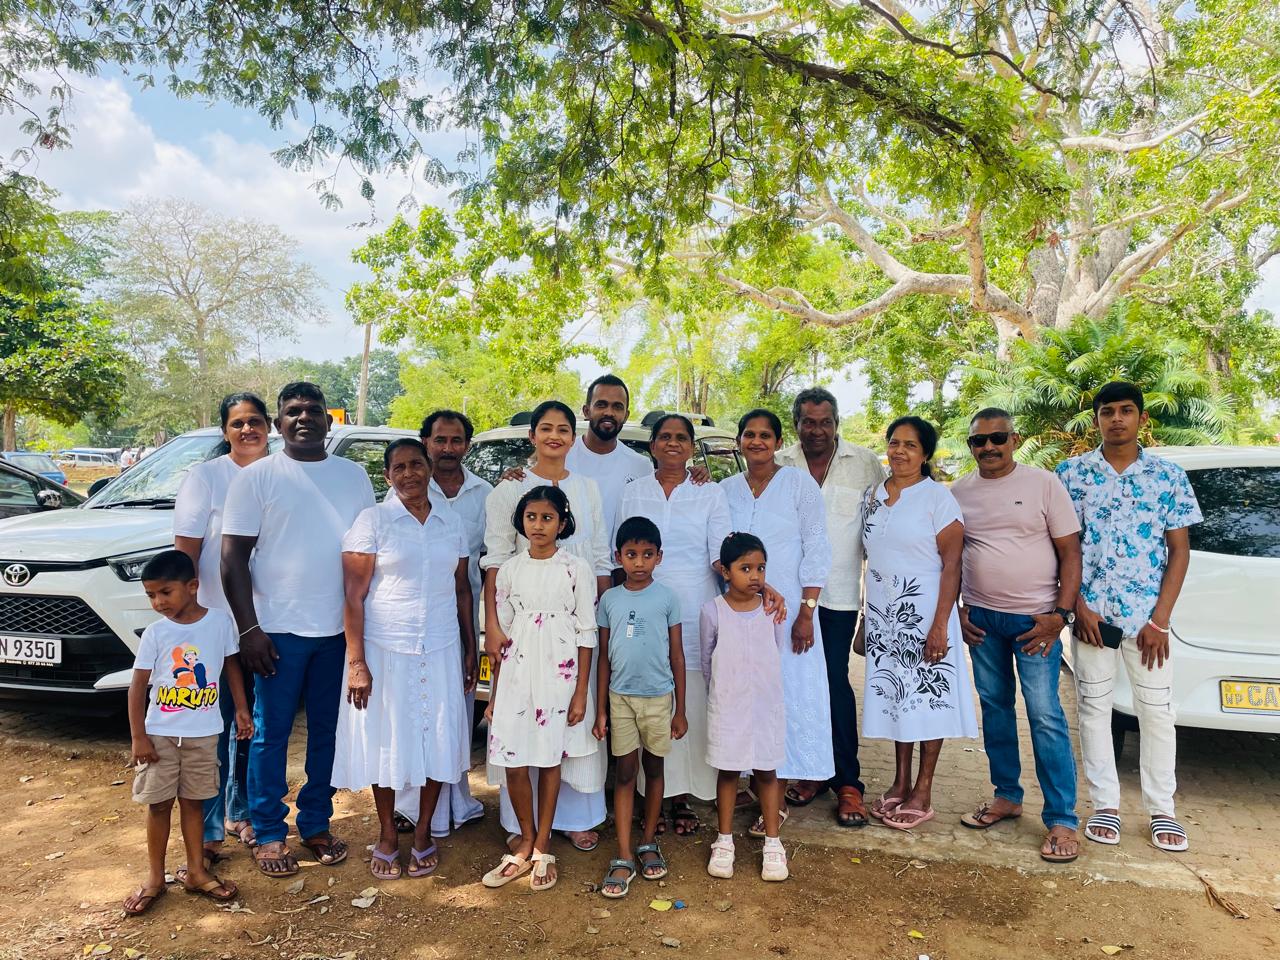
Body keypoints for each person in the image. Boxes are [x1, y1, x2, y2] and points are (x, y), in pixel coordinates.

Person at [222, 381, 376, 878]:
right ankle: (268, 831)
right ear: (279, 423)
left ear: (329, 421)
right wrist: (249, 629)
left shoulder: (353, 476)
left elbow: (368, 552)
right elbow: (232, 561)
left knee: (328, 735)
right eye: (293, 411)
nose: (304, 417)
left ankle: (315, 823)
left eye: (313, 410)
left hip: (338, 631)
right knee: (270, 735)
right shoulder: (256, 478)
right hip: (277, 632)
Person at [1056, 382, 1201, 853]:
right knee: (1094, 711)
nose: (1116, 419)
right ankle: (1106, 806)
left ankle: (1163, 810)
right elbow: (1063, 548)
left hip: (1147, 625)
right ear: (1095, 418)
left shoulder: (1168, 477)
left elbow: (1179, 552)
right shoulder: (1071, 474)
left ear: (1141, 418)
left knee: (1157, 713)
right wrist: (1077, 606)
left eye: (1126, 411)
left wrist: (1160, 620)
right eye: (1107, 411)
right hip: (1092, 618)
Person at [333, 438, 478, 880]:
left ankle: (423, 834)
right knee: (386, 740)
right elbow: (353, 597)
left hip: (440, 645)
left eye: (417, 464)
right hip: (385, 648)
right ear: (387, 475)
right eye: (399, 467)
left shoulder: (449, 522)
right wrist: (356, 663)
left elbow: (460, 589)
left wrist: (470, 647)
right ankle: (387, 836)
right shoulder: (372, 522)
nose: (410, 474)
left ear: (429, 468)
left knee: (437, 737)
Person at [952, 408, 1083, 863]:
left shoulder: (1044, 484)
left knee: (1046, 714)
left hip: (1036, 624)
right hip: (983, 621)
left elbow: (1070, 553)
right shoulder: (959, 492)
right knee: (995, 709)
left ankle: (1063, 819)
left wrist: (1060, 616)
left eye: (997, 438)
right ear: (970, 446)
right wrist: (957, 610)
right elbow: (950, 560)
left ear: (1014, 438)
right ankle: (1007, 796)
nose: (988, 447)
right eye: (979, 441)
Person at [481, 400, 611, 852]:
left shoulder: (589, 488)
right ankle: (524, 830)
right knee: (521, 727)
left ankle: (575, 818)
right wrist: (492, 626)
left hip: (570, 629)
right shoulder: (509, 489)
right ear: (532, 435)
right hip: (521, 632)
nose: (554, 436)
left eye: (563, 429)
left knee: (568, 725)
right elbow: (496, 561)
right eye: (546, 428)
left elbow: (597, 556)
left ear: (573, 438)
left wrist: (600, 616)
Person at [614, 413, 731, 834]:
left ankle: (681, 799)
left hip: (694, 606)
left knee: (687, 699)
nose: (673, 444)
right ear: (652, 445)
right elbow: (620, 549)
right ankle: (651, 800)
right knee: (646, 696)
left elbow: (721, 554)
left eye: (682, 438)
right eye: (665, 437)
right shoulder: (634, 492)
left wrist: (754, 587)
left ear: (691, 446)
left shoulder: (709, 492)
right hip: (640, 609)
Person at [860, 416, 977, 830]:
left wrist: (941, 624)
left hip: (926, 613)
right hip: (884, 616)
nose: (900, 451)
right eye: (894, 443)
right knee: (898, 699)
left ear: (925, 454)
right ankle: (899, 782)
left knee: (928, 701)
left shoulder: (937, 499)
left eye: (911, 445)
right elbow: (870, 560)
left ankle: (923, 790)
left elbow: (951, 565)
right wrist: (864, 619)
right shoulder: (874, 495)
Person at [775, 387, 884, 827]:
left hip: (837, 598)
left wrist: (871, 612)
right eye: (807, 422)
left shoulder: (866, 464)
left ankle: (848, 783)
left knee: (834, 684)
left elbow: (880, 536)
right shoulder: (780, 463)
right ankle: (807, 772)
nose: (816, 430)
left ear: (836, 423)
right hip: (785, 597)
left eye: (824, 422)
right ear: (796, 424)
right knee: (793, 686)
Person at [721, 408, 832, 835]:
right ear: (739, 441)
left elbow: (817, 546)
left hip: (788, 616)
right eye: (749, 434)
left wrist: (807, 610)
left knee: (785, 694)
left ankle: (779, 791)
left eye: (765, 435)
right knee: (747, 693)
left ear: (778, 441)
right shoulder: (726, 488)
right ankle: (750, 780)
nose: (756, 442)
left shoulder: (798, 484)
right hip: (740, 611)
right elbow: (719, 544)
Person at [482, 486, 598, 892]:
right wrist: (495, 696)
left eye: (547, 518)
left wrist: (582, 691)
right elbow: (502, 639)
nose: (538, 525)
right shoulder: (510, 570)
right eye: (531, 517)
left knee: (550, 759)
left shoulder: (575, 569)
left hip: (559, 674)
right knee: (514, 760)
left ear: (562, 523)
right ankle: (525, 839)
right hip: (516, 672)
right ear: (522, 521)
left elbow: (587, 632)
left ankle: (544, 842)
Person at [123, 550, 251, 915]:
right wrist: (138, 737)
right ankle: (154, 878)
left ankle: (196, 871)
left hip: (204, 734)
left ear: (193, 587)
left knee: (194, 802)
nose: (158, 602)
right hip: (160, 735)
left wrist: (241, 709)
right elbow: (137, 687)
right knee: (159, 804)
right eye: (150, 595)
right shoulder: (156, 633)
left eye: (165, 592)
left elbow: (231, 667)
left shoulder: (219, 623)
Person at [173, 392, 271, 864]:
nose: (247, 430)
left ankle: (244, 812)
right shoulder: (206, 478)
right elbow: (185, 553)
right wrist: (190, 620)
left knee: (253, 722)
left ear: (269, 427)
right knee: (214, 726)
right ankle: (210, 829)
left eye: (255, 421)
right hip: (215, 622)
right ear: (224, 431)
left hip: (265, 622)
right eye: (238, 423)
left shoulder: (280, 474)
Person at [390, 410, 491, 839]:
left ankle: (457, 801)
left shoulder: (485, 493)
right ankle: (409, 806)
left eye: (456, 440)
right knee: (413, 711)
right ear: (426, 443)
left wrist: (477, 638)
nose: (448, 448)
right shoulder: (404, 490)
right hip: (410, 620)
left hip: (462, 616)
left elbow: (490, 560)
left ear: (467, 445)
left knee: (456, 711)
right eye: (439, 441)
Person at [592, 516, 686, 898]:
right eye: (631, 554)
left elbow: (677, 655)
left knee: (654, 768)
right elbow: (603, 658)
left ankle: (649, 842)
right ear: (618, 557)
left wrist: (680, 708)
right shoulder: (610, 600)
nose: (639, 562)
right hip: (620, 698)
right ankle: (625, 852)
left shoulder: (667, 598)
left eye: (647, 554)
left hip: (659, 697)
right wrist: (600, 709)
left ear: (659, 557)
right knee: (626, 772)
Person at [701, 533, 790, 882]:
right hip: (728, 705)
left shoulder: (771, 610)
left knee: (767, 772)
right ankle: (724, 841)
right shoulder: (712, 611)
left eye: (760, 568)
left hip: (765, 706)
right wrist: (724, 692)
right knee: (727, 772)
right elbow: (707, 659)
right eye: (745, 568)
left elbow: (776, 650)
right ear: (725, 571)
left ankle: (772, 843)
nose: (755, 575)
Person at [565, 374, 654, 534]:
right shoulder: (562, 456)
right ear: (587, 411)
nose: (609, 412)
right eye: (601, 405)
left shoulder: (641, 465)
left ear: (626, 416)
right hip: (565, 558)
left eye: (617, 407)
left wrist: (694, 474)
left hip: (616, 559)